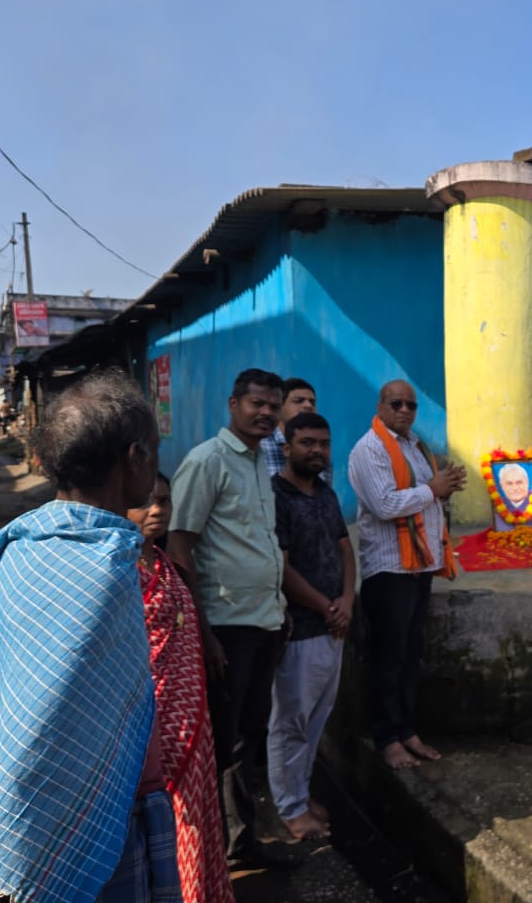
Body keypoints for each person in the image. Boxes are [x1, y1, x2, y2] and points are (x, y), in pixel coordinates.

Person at [0, 369, 178, 902]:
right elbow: (43, 732)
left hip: (78, 798)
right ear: (133, 458)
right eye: (152, 449)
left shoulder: (28, 543)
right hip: (79, 824)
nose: (154, 460)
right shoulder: (101, 570)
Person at [167, 368, 289, 870]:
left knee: (251, 733)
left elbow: (259, 544)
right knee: (224, 740)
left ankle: (241, 841)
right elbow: (179, 546)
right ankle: (213, 852)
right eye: (256, 403)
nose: (265, 413)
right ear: (233, 404)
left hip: (265, 620)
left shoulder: (260, 462)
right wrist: (203, 631)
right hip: (226, 626)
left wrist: (281, 612)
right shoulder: (207, 461)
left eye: (272, 406)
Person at [128, 472, 234, 903]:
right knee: (166, 827)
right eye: (147, 502)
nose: (158, 510)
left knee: (196, 817)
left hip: (192, 722)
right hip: (152, 731)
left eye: (165, 501)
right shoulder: (120, 574)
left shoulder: (167, 568)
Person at [348, 379, 463, 770]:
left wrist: (444, 488)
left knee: (411, 656)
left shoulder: (415, 446)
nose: (404, 410)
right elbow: (384, 504)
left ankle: (407, 729)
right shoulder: (370, 449)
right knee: (387, 657)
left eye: (411, 405)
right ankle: (386, 738)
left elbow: (425, 496)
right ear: (380, 406)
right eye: (396, 403)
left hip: (420, 565)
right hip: (390, 568)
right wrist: (433, 489)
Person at [267, 412, 355, 840]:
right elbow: (281, 568)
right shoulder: (276, 496)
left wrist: (348, 602)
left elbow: (345, 549)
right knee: (291, 724)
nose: (316, 450)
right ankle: (289, 810)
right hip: (300, 629)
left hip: (334, 626)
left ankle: (300, 797)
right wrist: (326, 607)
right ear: (287, 448)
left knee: (316, 722)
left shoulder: (325, 493)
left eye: (323, 443)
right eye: (307, 443)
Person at [264, 377, 318, 477]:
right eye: (299, 400)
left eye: (312, 402)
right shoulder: (261, 445)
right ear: (279, 407)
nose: (308, 405)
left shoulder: (319, 450)